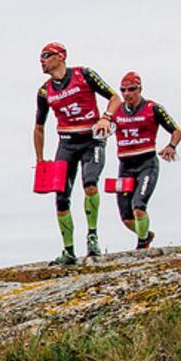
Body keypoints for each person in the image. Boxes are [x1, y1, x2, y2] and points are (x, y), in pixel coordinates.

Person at [33, 42, 121, 265]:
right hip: (66, 144)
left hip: (92, 140)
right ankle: (68, 250)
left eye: (46, 55)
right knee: (61, 197)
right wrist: (40, 159)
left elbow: (115, 98)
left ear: (60, 57)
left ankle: (92, 236)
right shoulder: (44, 91)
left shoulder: (84, 74)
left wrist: (106, 117)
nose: (41, 60)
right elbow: (39, 126)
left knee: (90, 182)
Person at [111, 71, 181, 249]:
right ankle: (146, 235)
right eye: (123, 90)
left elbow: (177, 131)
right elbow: (102, 129)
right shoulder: (117, 110)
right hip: (125, 166)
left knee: (138, 206)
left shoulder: (152, 108)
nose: (127, 94)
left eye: (131, 89)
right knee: (126, 217)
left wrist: (171, 146)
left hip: (147, 164)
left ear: (140, 89)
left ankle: (142, 245)